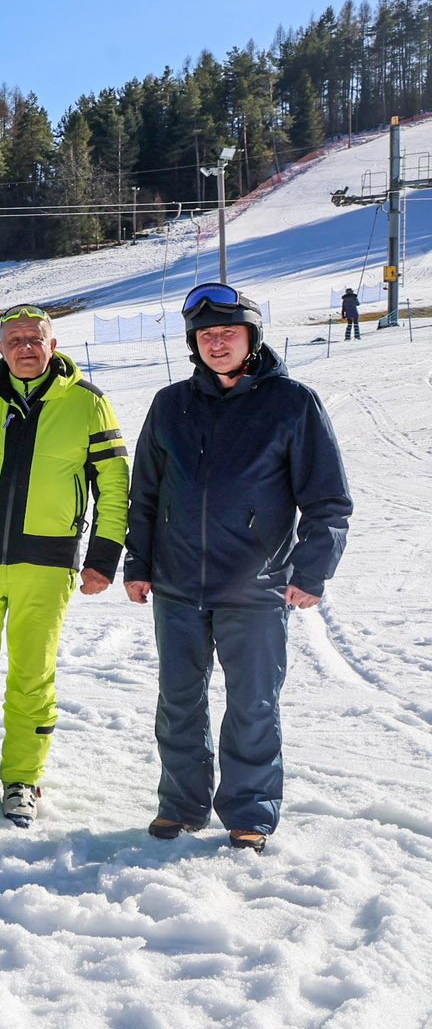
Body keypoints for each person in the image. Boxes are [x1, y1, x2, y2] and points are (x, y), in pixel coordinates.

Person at [124, 283, 351, 853]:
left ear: (252, 338)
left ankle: (250, 813)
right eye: (206, 335)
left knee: (252, 705)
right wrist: (138, 562)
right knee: (178, 701)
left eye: (228, 333)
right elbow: (144, 493)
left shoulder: (292, 404)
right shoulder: (170, 405)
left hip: (256, 587)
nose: (217, 343)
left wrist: (312, 570)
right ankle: (181, 806)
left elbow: (328, 500)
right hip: (177, 585)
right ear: (193, 343)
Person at [0, 305, 129, 827]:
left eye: (35, 338)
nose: (25, 348)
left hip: (47, 564)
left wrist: (103, 558)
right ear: (0, 349)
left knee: (32, 677)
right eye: (14, 340)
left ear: (52, 345)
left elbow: (114, 487)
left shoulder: (87, 404)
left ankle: (22, 778)